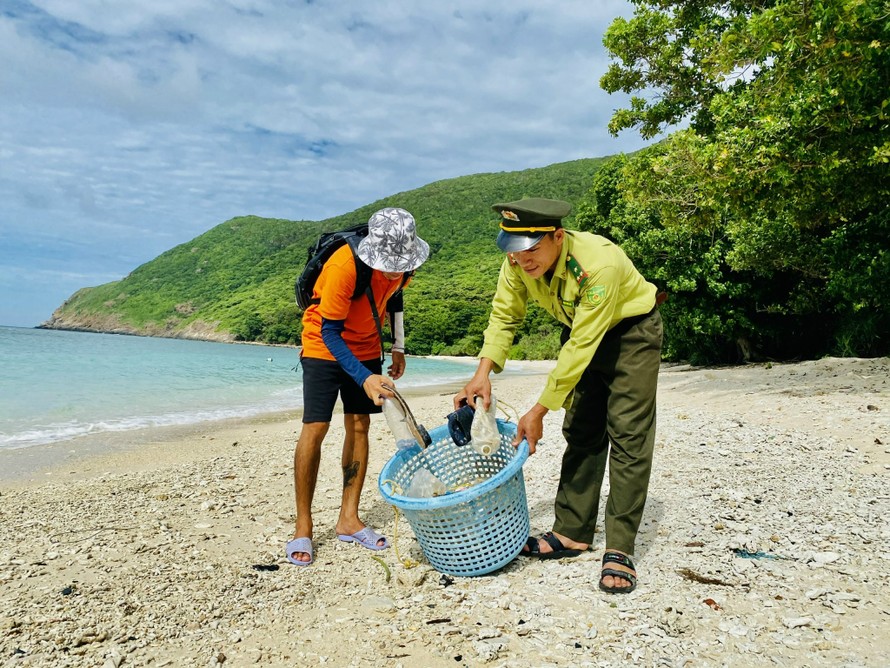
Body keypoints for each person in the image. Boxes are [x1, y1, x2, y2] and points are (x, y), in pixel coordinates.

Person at [454, 197, 663, 593]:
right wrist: (482, 374)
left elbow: (582, 346)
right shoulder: (517, 262)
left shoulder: (598, 264)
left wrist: (538, 410)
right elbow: (504, 316)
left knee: (628, 435)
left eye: (532, 249)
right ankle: (572, 532)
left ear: (558, 237)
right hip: (581, 332)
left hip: (631, 334)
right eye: (515, 250)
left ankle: (620, 546)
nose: (523, 260)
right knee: (582, 431)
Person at [286, 207, 429, 566]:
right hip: (323, 345)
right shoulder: (344, 267)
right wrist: (365, 378)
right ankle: (303, 525)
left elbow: (395, 296)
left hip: (367, 346)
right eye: (389, 264)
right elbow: (330, 332)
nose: (395, 270)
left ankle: (348, 519)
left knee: (359, 425)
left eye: (401, 264)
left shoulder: (404, 265)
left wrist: (397, 347)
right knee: (316, 427)